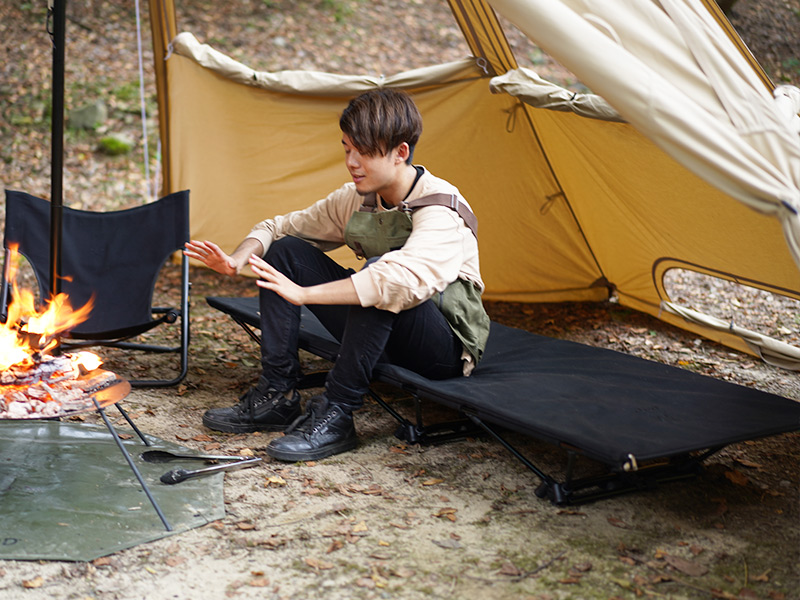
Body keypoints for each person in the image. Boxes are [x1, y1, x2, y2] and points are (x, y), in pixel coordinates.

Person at [184, 88, 490, 462]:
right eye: (347, 148)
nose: (352, 161)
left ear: (401, 152)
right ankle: (277, 395)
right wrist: (237, 259)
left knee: (382, 274)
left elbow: (396, 281)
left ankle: (337, 413)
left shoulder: (441, 207)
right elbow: (279, 227)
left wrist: (305, 295)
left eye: (363, 151)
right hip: (382, 328)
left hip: (442, 350)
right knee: (285, 251)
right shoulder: (357, 197)